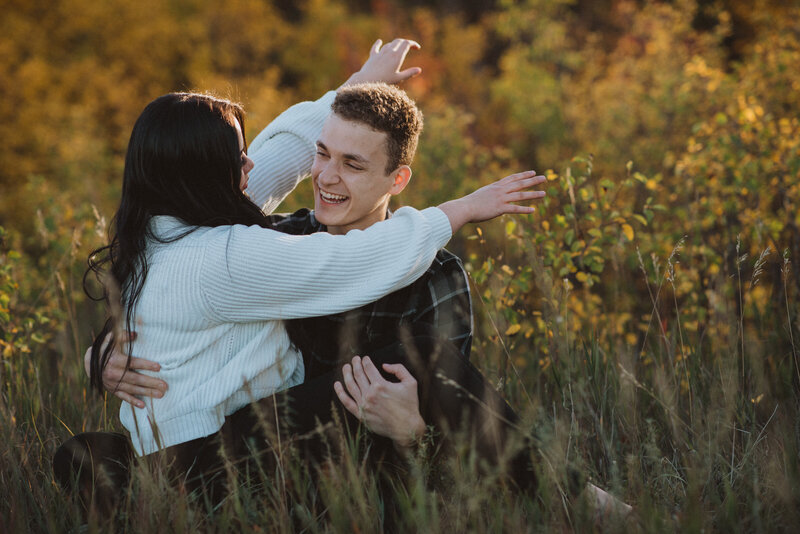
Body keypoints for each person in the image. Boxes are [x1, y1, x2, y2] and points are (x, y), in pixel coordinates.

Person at [53, 38, 549, 514]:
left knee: (423, 364)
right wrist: (459, 211)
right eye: (237, 157)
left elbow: (279, 157)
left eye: (351, 163)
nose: (251, 163)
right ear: (204, 175)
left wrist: (352, 86)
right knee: (426, 356)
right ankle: (565, 492)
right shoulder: (231, 254)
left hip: (253, 447)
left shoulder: (164, 229)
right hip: (218, 459)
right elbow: (355, 260)